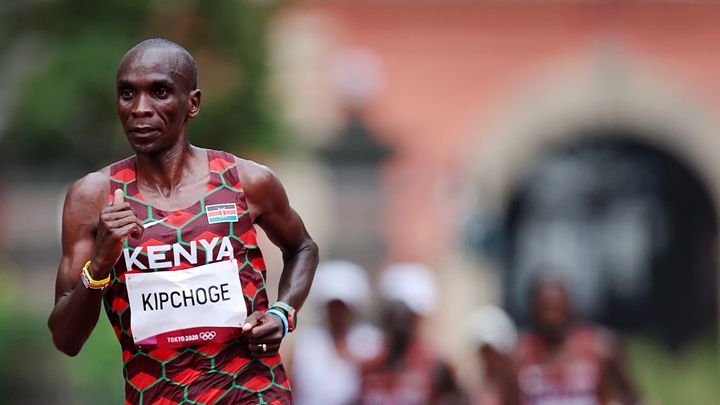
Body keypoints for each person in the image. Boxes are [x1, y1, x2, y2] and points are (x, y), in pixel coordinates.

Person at [47, 38, 319, 405]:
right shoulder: (93, 197)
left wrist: (283, 312)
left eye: (159, 92)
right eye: (127, 94)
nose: (140, 109)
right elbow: (66, 340)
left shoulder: (246, 181)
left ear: (192, 103)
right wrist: (100, 265)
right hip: (158, 394)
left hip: (252, 391)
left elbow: (302, 247)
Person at [514, 276, 642, 405]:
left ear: (570, 307)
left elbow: (629, 396)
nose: (551, 320)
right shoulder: (518, 354)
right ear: (532, 311)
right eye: (544, 311)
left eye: (556, 311)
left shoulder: (600, 348)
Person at [358, 263, 470, 405]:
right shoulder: (370, 366)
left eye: (406, 317)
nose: (399, 324)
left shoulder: (435, 366)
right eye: (394, 315)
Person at [291, 260, 383, 405]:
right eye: (333, 306)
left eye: (343, 306)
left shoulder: (370, 341)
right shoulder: (307, 343)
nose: (338, 313)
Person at [466, 306, 520, 405]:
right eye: (484, 352)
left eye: (492, 352)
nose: (489, 358)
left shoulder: (519, 385)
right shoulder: (470, 387)